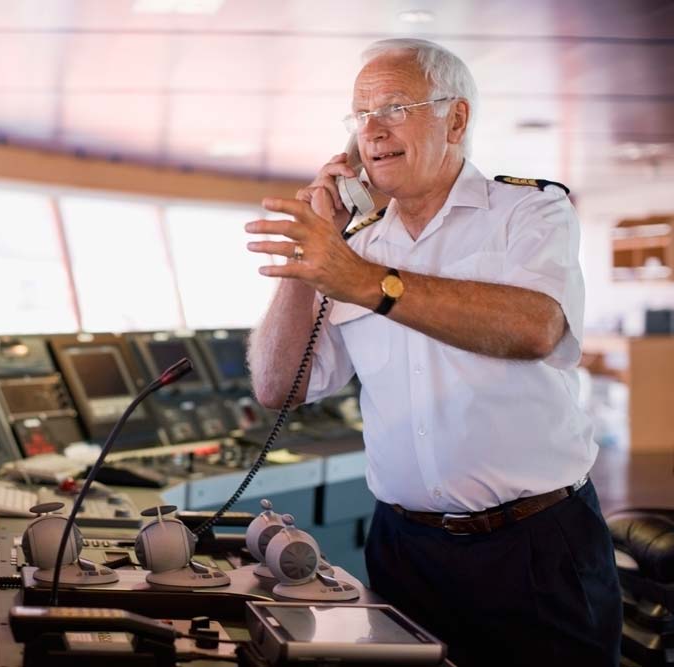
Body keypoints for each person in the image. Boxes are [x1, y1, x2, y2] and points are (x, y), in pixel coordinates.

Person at [244, 38, 621, 667]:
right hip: (404, 550)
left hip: (534, 546)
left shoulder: (528, 210)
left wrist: (363, 281)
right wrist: (308, 257)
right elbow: (279, 388)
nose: (372, 131)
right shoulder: (353, 246)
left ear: (457, 118)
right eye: (359, 115)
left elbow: (535, 328)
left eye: (395, 107)